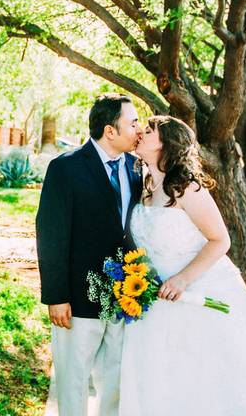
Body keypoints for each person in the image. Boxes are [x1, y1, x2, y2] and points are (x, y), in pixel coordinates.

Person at [119, 115, 246, 415]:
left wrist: (182, 280)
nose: (140, 132)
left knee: (200, 382)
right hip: (155, 298)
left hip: (194, 291)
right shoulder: (144, 183)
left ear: (166, 143)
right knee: (157, 378)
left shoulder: (186, 188)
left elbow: (220, 240)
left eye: (149, 129)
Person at [37, 93, 143, 416]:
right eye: (133, 123)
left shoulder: (136, 169)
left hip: (122, 300)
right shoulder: (65, 169)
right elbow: (50, 233)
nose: (139, 129)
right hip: (77, 302)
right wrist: (56, 296)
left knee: (115, 382)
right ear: (110, 131)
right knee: (73, 381)